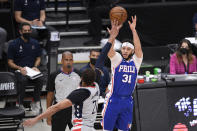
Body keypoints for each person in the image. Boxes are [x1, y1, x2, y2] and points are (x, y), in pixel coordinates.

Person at [101, 16, 143, 131]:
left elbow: (139, 50)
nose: (124, 51)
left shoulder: (136, 62)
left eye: (127, 49)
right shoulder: (117, 59)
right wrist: (113, 36)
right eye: (123, 48)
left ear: (132, 51)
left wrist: (133, 30)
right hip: (113, 99)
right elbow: (109, 51)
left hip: (128, 101)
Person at [23, 68, 100, 131]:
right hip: (91, 127)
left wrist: (36, 119)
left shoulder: (80, 93)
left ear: (81, 78)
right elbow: (96, 71)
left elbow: (56, 107)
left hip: (80, 127)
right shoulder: (96, 86)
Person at [7, 22, 43, 115]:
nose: (27, 32)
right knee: (23, 80)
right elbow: (10, 62)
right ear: (20, 32)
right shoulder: (13, 44)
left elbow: (38, 58)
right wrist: (20, 68)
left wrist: (35, 66)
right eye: (25, 31)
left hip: (31, 70)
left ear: (31, 31)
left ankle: (35, 101)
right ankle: (20, 103)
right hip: (18, 70)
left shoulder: (35, 43)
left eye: (28, 30)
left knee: (40, 79)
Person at [46, 51, 81, 131]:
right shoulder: (54, 75)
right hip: (59, 110)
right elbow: (50, 95)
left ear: (73, 61)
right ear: (61, 61)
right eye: (66, 60)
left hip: (75, 110)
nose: (68, 62)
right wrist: (48, 114)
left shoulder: (79, 74)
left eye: (70, 60)